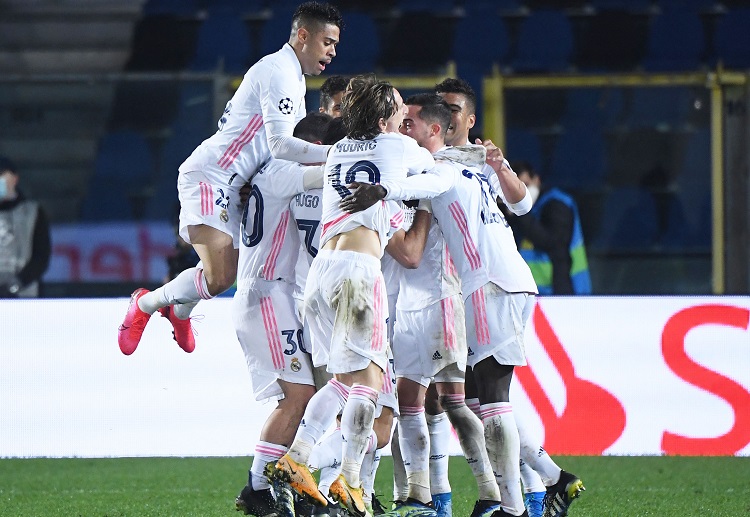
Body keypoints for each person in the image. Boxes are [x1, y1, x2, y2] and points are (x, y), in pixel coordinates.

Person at [118, 2, 343, 356]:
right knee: (221, 276)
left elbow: (276, 149)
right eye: (327, 42)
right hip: (213, 177)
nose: (332, 52)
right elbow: (281, 145)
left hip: (238, 184)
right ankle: (145, 304)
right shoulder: (278, 72)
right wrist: (342, 155)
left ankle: (180, 312)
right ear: (303, 35)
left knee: (227, 272)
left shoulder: (294, 78)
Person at [270, 77, 435, 517]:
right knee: (369, 384)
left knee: (344, 383)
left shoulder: (340, 149)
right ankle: (349, 480)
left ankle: (298, 458)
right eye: (399, 110)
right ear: (382, 121)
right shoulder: (397, 146)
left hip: (321, 273)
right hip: (358, 274)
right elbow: (435, 167)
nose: (405, 117)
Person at [434, 78, 585, 517]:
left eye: (453, 109)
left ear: (470, 119)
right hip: (481, 286)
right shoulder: (441, 161)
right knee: (474, 396)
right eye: (439, 108)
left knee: (493, 395)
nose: (445, 116)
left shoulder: (477, 162)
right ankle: (552, 477)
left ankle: (514, 506)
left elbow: (521, 206)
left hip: (493, 283)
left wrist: (500, 166)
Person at [232, 112, 331, 516]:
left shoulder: (270, 171)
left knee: (301, 396)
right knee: (298, 396)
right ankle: (257, 487)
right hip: (266, 293)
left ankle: (277, 486)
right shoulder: (286, 171)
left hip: (271, 293)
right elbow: (334, 172)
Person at [506, 161, 592, 295]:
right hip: (528, 289)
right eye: (515, 188)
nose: (521, 192)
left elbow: (552, 241)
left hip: (560, 288)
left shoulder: (558, 204)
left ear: (536, 180)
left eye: (525, 185)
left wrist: (521, 213)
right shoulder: (511, 208)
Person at [0, 156, 51, 298]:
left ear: (15, 179)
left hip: (25, 297)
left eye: (1, 175)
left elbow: (41, 256)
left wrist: (16, 284)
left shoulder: (32, 212)